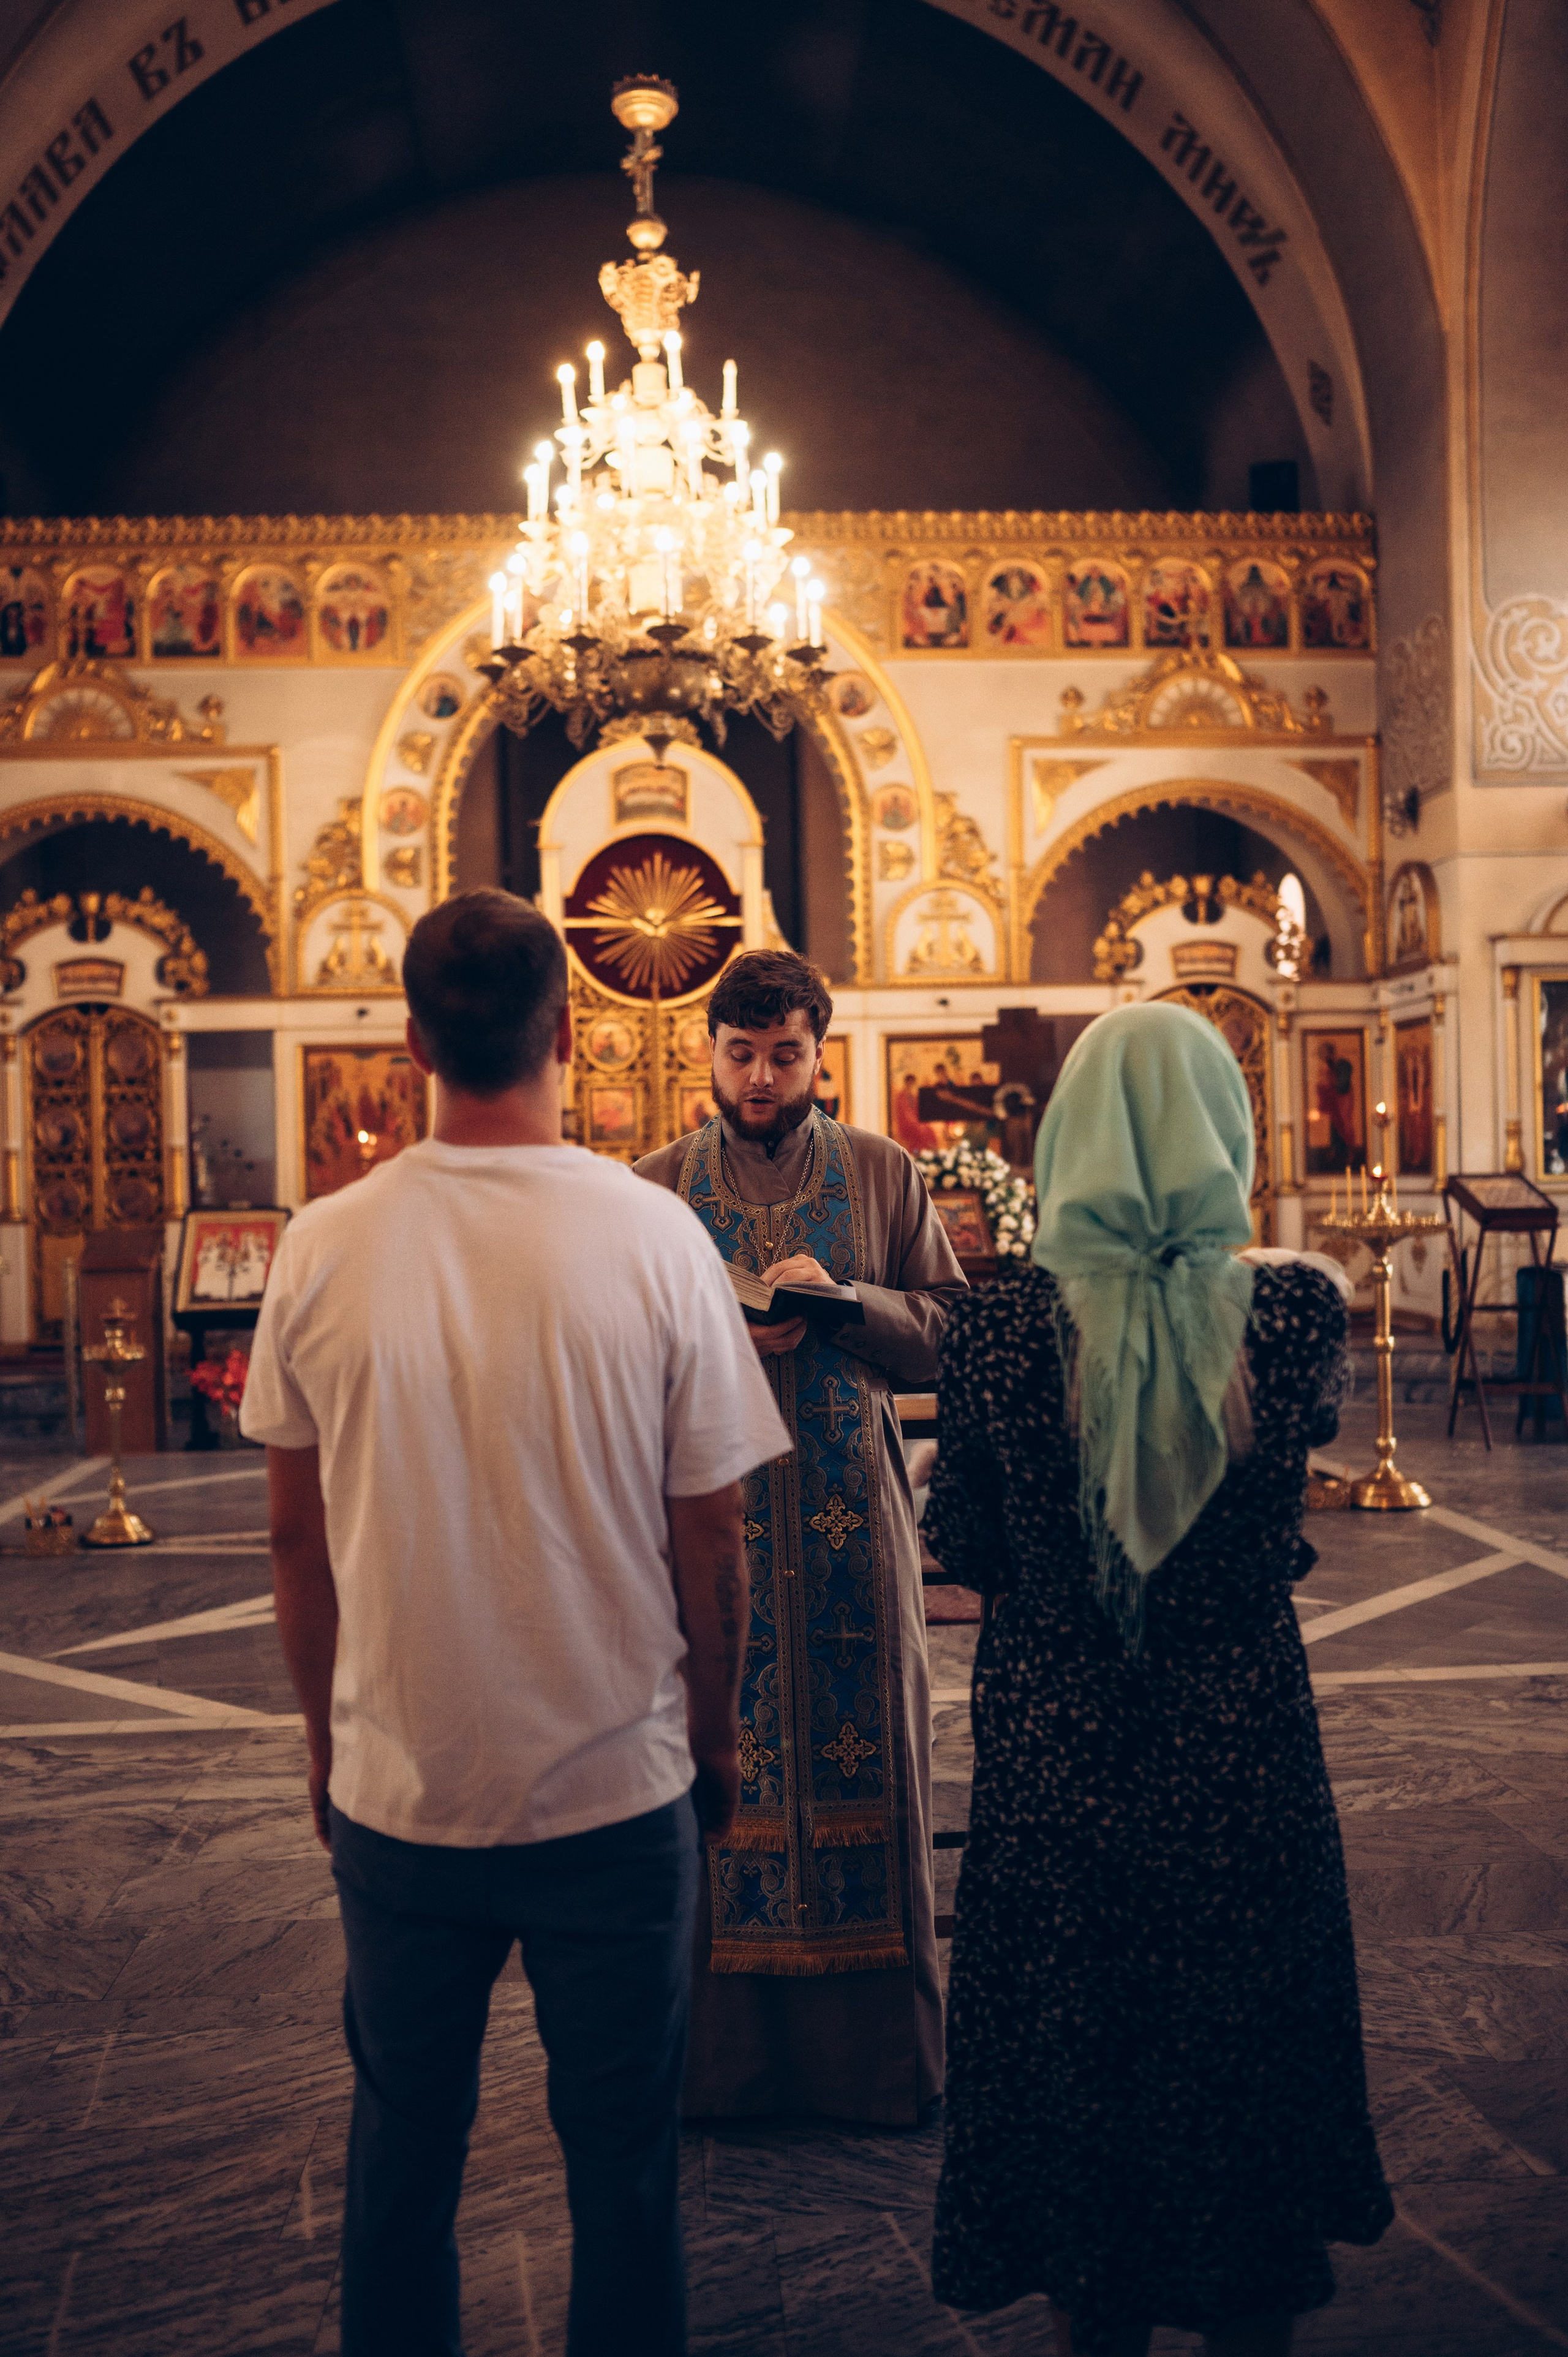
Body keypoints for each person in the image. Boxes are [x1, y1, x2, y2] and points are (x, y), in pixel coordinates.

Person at [242, 889, 789, 2357]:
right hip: (618, 1792)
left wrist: (323, 1747)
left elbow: (296, 1538)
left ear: (412, 1037)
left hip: (400, 1791)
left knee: (400, 2161)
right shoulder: (659, 1239)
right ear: (565, 1030)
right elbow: (712, 1527)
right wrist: (717, 1743)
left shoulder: (321, 1244)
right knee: (624, 2172)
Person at [927, 1001, 1392, 2357]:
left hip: (1056, 1742)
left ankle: (1093, 2311)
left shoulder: (997, 1331)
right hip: (1234, 1734)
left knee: (1076, 2050)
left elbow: (963, 1545)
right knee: (1235, 2040)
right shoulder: (1295, 1311)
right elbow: (1274, 1509)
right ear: (1219, 1129)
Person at [636, 948, 965, 2124]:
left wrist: (844, 1304)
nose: (762, 1077)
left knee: (871, 1768)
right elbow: (621, 1349)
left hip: (852, 1544)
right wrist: (717, 1320)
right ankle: (726, 2075)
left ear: (822, 1051)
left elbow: (945, 1330)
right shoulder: (657, 1188)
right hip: (712, 1541)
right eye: (741, 1055)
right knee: (718, 1791)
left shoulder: (881, 1174)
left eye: (785, 1055)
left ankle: (874, 2073)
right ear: (708, 1054)